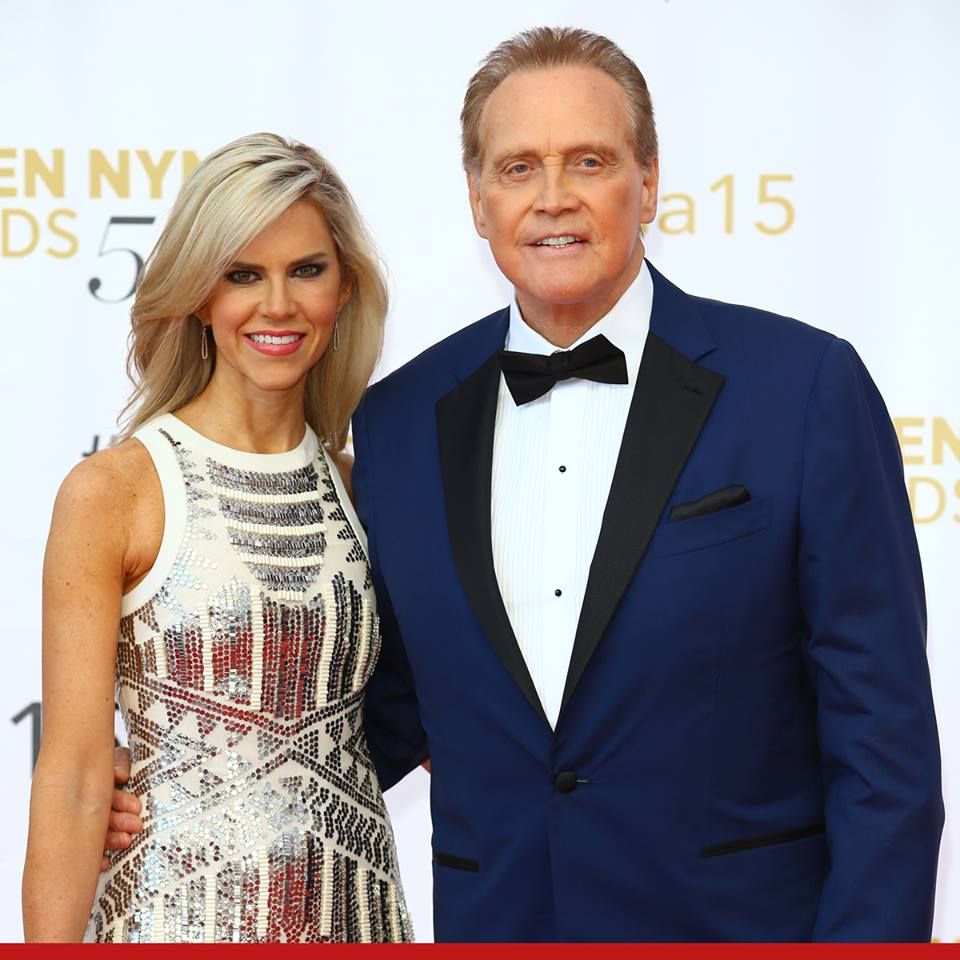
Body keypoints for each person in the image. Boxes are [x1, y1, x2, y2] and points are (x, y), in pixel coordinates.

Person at [108, 27, 944, 941]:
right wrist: (166, 780)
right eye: (518, 168)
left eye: (589, 161)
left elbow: (885, 752)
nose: (553, 198)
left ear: (648, 182)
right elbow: (381, 707)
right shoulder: (399, 421)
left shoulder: (802, 389)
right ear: (478, 199)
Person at [23, 133, 413, 942]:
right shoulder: (113, 492)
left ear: (343, 287)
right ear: (199, 293)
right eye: (242, 274)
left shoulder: (368, 489)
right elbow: (75, 778)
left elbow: (460, 710)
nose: (278, 305)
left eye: (306, 270)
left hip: (360, 920)